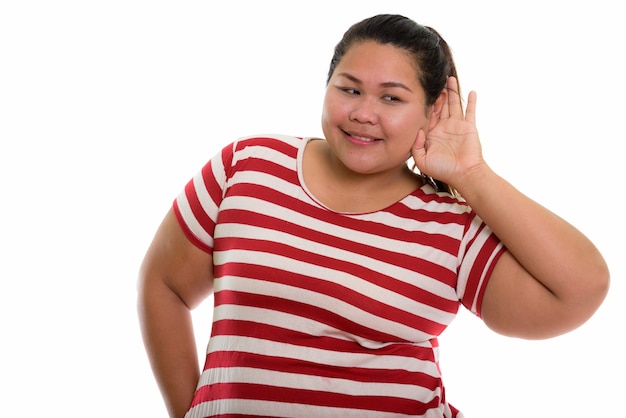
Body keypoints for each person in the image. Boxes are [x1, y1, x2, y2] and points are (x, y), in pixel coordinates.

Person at [137, 14, 609, 418]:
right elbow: (164, 284)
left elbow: (578, 289)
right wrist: (192, 409)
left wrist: (472, 173)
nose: (363, 113)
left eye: (391, 98)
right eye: (350, 89)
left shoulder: (450, 224)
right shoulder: (247, 167)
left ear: (432, 112)